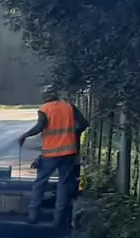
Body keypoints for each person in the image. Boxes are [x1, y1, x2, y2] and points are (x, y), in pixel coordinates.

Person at [17, 84, 88, 227]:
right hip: (68, 153)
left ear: (44, 97)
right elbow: (84, 124)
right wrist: (74, 134)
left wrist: (25, 135)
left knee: (40, 182)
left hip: (50, 154)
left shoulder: (45, 109)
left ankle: (33, 215)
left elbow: (40, 127)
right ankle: (58, 219)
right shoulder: (69, 107)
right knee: (63, 184)